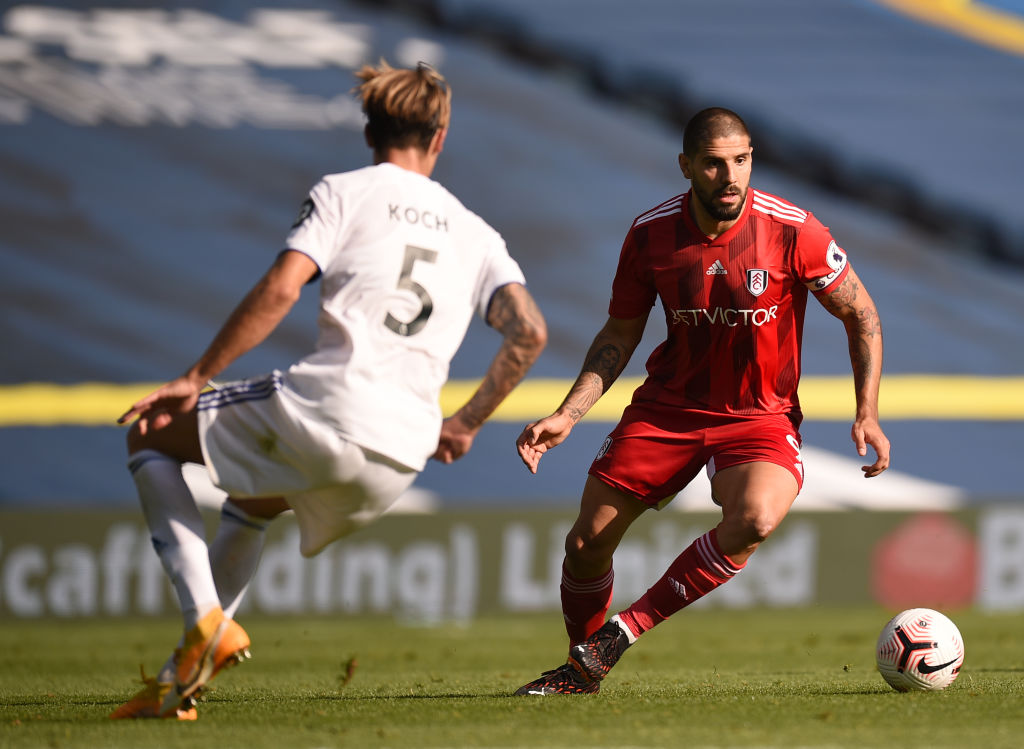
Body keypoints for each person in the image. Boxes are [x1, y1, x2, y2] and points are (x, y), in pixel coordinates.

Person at [109, 60, 547, 719]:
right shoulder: (476, 232)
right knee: (253, 503)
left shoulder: (344, 192)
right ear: (440, 137)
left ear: (369, 131)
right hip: (403, 452)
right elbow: (530, 332)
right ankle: (180, 682)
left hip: (331, 408)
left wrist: (195, 376)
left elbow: (282, 287)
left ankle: (204, 620)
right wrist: (465, 422)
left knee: (150, 433)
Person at [513, 107, 889, 695]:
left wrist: (867, 411)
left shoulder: (795, 230)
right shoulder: (650, 235)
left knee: (755, 518)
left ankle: (619, 636)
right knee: (585, 544)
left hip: (759, 417)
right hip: (669, 410)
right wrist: (568, 413)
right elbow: (620, 333)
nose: (730, 176)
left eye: (741, 161)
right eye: (714, 164)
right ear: (686, 166)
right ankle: (579, 669)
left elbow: (862, 315)